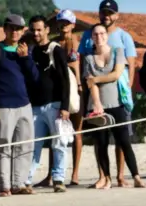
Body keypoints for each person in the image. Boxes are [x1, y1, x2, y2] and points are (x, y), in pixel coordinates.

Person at [78, 0, 137, 188]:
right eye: (103, 12)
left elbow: (131, 63)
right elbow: (83, 63)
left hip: (118, 93)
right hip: (95, 93)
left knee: (122, 138)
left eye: (110, 13)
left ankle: (121, 175)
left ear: (117, 16)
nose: (106, 16)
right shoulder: (88, 35)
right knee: (100, 139)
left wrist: (129, 87)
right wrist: (85, 86)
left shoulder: (124, 37)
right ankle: (103, 175)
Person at [0, 14, 40, 196]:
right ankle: (4, 185)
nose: (14, 31)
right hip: (3, 107)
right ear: (5, 29)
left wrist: (25, 59)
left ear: (23, 31)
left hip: (24, 105)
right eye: (11, 28)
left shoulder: (26, 51)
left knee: (25, 145)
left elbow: (35, 78)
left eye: (18, 28)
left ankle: (19, 183)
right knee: (3, 147)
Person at [25, 15, 71, 193]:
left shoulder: (56, 50)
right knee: (33, 146)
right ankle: (27, 180)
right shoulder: (31, 51)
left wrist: (65, 106)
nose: (36, 33)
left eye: (39, 29)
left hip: (55, 105)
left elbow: (65, 80)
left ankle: (58, 179)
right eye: (33, 30)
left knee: (59, 144)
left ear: (46, 30)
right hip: (35, 107)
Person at [56, 10, 84, 186]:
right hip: (60, 89)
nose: (64, 25)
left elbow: (78, 65)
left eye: (67, 22)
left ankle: (75, 173)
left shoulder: (77, 42)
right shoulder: (54, 43)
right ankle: (54, 173)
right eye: (61, 22)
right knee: (56, 132)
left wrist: (80, 85)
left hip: (76, 88)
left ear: (73, 24)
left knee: (77, 132)